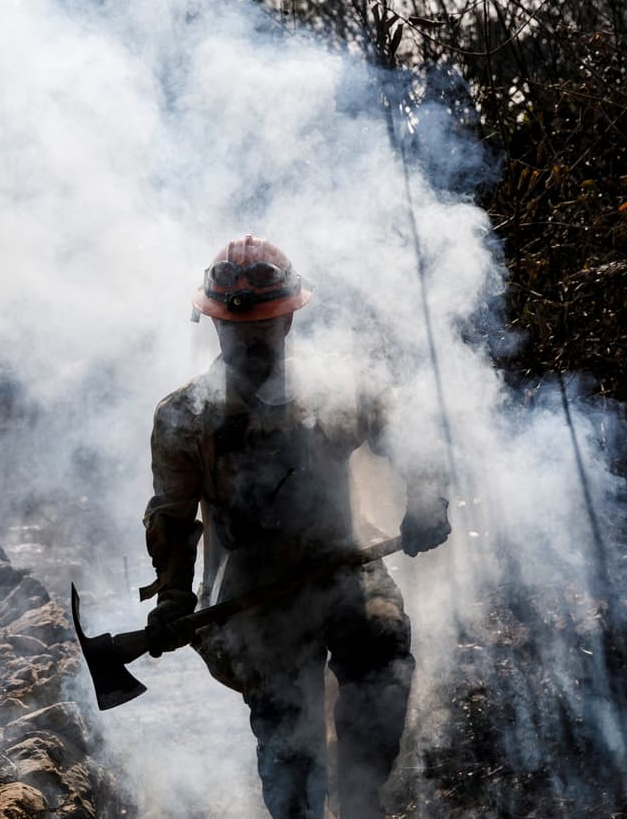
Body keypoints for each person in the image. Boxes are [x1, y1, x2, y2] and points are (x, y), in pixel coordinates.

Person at [140, 235, 450, 819]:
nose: (248, 339)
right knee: (289, 754)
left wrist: (429, 499)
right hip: (254, 600)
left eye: (262, 326)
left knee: (381, 659)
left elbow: (412, 438)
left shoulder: (338, 390)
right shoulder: (185, 418)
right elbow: (173, 518)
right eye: (235, 329)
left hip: (346, 568)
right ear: (213, 326)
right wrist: (175, 598)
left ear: (289, 322)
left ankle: (360, 797)